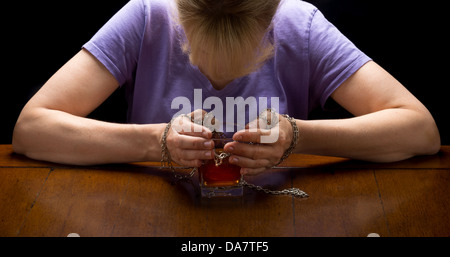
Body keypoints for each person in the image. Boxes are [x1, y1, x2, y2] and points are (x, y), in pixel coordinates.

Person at [13, 0, 440, 176]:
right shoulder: (146, 15)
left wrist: (298, 136)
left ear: (269, 20)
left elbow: (419, 131)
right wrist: (153, 141)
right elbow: (32, 129)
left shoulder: (300, 23)